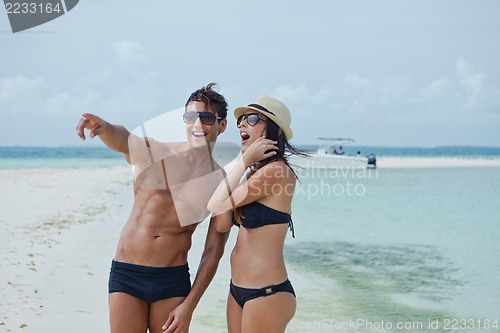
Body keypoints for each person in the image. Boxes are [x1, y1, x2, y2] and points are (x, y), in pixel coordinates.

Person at [75, 83, 232, 333]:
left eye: (207, 117)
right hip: (128, 273)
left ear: (221, 125)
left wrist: (189, 306)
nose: (198, 124)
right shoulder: (158, 151)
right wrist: (104, 128)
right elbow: (124, 140)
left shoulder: (222, 183)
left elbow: (213, 251)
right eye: (191, 116)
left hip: (172, 281)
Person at [207, 96, 305, 333]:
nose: (241, 124)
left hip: (267, 293)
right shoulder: (254, 174)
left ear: (274, 130)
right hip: (238, 290)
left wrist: (243, 160)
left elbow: (213, 204)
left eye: (251, 119)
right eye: (241, 119)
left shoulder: (276, 172)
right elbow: (220, 223)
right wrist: (245, 164)